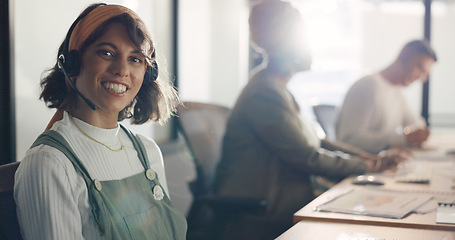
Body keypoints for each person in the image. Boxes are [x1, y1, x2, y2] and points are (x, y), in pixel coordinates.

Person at [214, 0, 408, 239]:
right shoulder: (264, 93)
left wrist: (369, 158)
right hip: (263, 210)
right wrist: (370, 166)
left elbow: (317, 141)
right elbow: (307, 156)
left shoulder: (277, 88)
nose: (310, 48)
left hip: (284, 198)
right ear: (285, 46)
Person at [13, 3, 187, 239]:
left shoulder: (148, 152)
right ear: (72, 63)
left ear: (147, 73)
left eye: (135, 59)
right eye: (106, 52)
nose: (122, 70)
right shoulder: (50, 163)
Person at [337, 40, 437, 154]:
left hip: (382, 164)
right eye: (420, 68)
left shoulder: (397, 92)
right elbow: (349, 140)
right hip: (365, 167)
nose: (420, 77)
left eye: (425, 74)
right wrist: (403, 138)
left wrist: (416, 134)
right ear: (406, 54)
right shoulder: (367, 87)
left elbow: (418, 124)